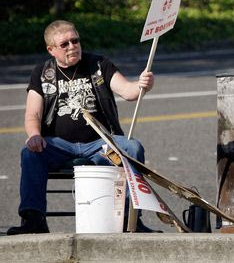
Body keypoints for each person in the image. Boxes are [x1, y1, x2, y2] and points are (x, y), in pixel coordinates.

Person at [7, 20, 159, 235]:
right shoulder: (42, 73)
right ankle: (33, 220)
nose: (72, 46)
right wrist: (34, 135)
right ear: (51, 50)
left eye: (75, 40)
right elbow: (33, 114)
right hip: (58, 144)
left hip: (101, 143)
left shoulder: (98, 64)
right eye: (64, 44)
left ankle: (130, 220)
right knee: (30, 153)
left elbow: (128, 91)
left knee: (132, 148)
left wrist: (142, 85)